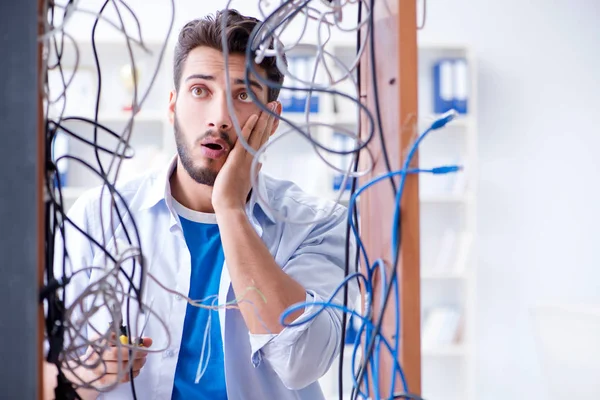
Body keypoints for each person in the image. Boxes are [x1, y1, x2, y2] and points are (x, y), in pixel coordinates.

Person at [43, 9, 358, 400]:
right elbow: (40, 372)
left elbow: (300, 363)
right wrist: (84, 373)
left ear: (271, 121)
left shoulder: (318, 224)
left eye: (242, 96)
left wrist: (229, 208)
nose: (219, 118)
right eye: (200, 90)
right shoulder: (98, 217)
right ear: (173, 105)